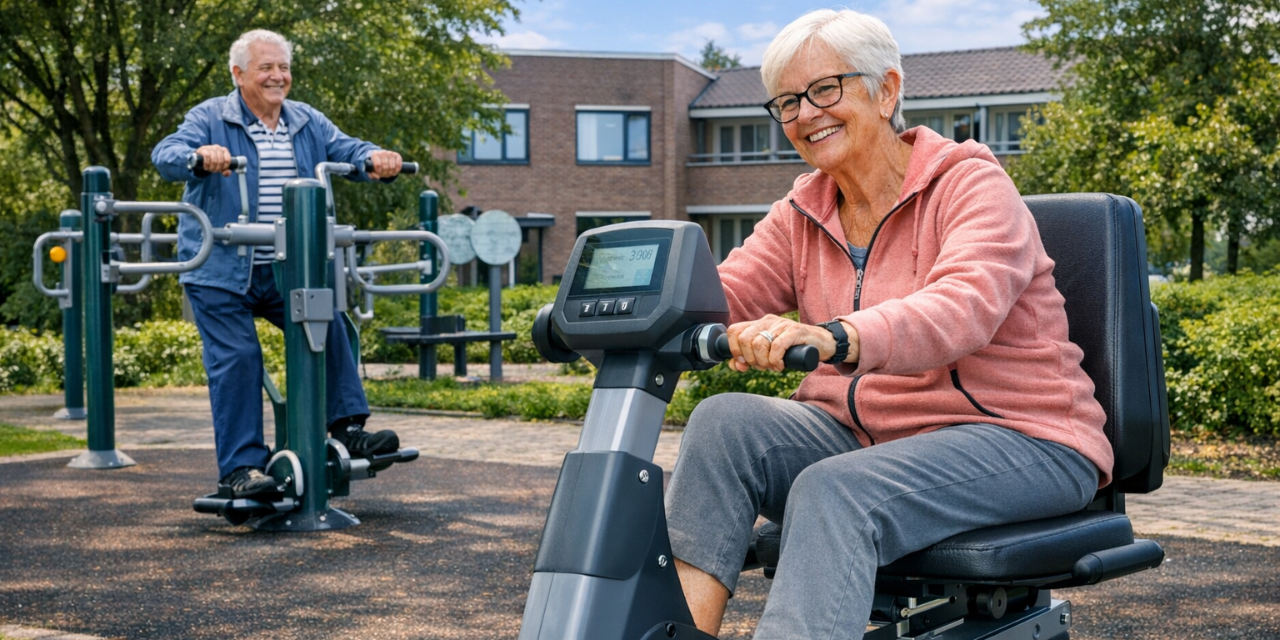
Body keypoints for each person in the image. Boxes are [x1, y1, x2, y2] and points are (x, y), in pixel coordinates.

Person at [663, 10, 1113, 639]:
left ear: (887, 91)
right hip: (867, 439)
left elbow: (962, 306)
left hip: (1021, 438)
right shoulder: (801, 210)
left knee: (833, 491)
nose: (806, 113)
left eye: (825, 89)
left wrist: (833, 336)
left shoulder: (971, 184)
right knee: (721, 426)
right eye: (788, 102)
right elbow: (722, 296)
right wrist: (638, 316)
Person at [152, 29, 408, 499]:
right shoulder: (210, 117)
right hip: (221, 267)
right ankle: (242, 469)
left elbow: (349, 150)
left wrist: (374, 157)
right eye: (266, 67)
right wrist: (199, 157)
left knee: (329, 322)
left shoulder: (305, 120)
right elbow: (165, 155)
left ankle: (347, 430)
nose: (277, 76)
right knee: (239, 358)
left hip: (288, 265)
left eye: (283, 67)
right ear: (239, 74)